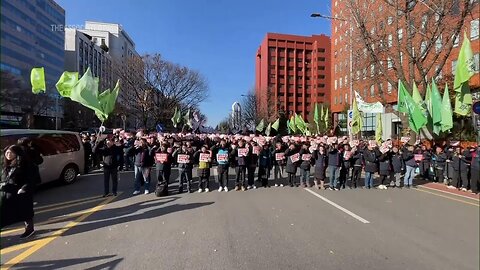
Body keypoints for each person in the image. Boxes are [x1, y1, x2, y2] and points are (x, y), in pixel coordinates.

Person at [0, 145, 35, 238]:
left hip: (21, 193)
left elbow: (30, 179)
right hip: (7, 192)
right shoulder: (5, 164)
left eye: (11, 152)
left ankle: (29, 229)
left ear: (16, 153)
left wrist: (23, 188)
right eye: (7, 152)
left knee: (25, 212)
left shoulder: (24, 164)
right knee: (5, 212)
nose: (8, 154)